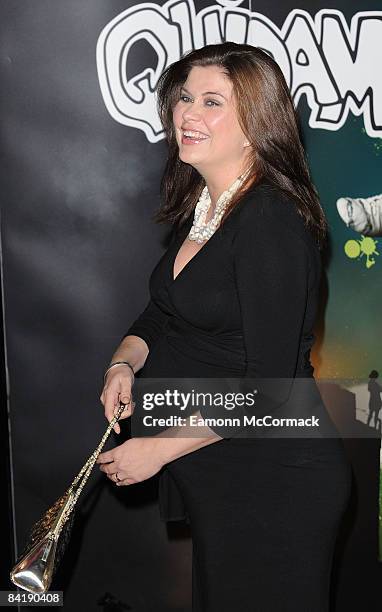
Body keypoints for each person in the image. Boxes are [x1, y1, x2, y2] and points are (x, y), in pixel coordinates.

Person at [96, 42, 352, 611]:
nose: (188, 114)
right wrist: (124, 361)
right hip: (222, 472)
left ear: (255, 124)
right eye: (185, 98)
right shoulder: (208, 209)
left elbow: (268, 389)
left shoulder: (268, 220)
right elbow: (160, 313)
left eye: (212, 102)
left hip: (276, 479)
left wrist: (158, 451)